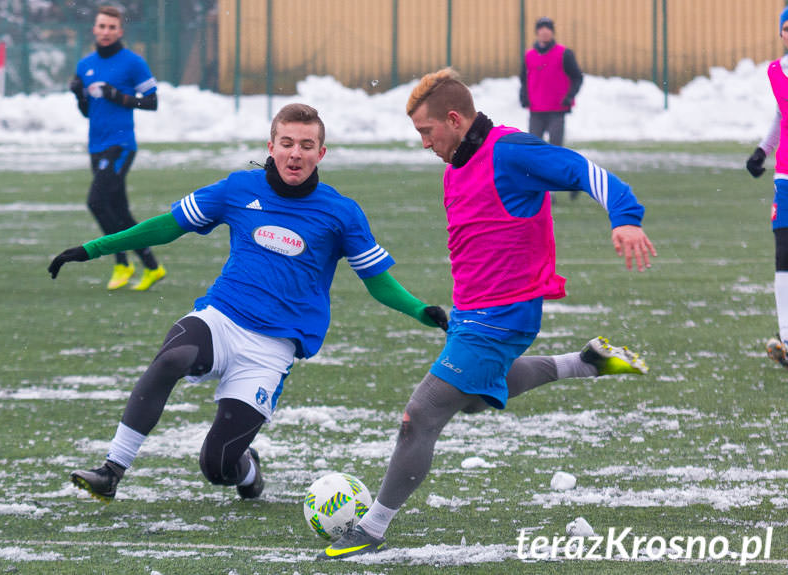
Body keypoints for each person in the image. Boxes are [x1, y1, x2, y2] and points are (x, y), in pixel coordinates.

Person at [320, 68, 656, 559]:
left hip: (503, 318)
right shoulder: (458, 161)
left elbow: (584, 170)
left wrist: (625, 218)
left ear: (454, 119)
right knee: (472, 400)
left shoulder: (510, 151)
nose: (424, 143)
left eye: (426, 131)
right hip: (472, 314)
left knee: (421, 415)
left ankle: (372, 528)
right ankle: (584, 362)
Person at [48, 103, 451, 503]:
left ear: (320, 154)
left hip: (271, 349)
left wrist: (420, 310)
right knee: (172, 358)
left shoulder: (341, 213)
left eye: (307, 145)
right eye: (287, 142)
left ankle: (248, 469)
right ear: (271, 146)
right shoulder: (238, 189)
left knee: (218, 466)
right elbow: (167, 226)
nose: (296, 153)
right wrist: (93, 249)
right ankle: (112, 470)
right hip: (221, 318)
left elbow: (377, 283)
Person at [70, 5, 166, 291]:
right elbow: (88, 112)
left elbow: (152, 101)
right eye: (102, 26)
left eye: (112, 27)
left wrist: (120, 97)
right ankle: (152, 266)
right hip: (96, 146)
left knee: (96, 202)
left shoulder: (132, 63)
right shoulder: (85, 64)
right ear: (94, 30)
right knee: (120, 212)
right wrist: (79, 95)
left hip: (121, 145)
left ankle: (122, 262)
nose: (106, 31)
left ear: (120, 31)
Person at [746, 6, 788, 370]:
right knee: (783, 254)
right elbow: (780, 114)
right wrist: (763, 150)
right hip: (786, 176)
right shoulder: (776, 71)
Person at [519, 17, 583, 148]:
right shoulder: (528, 55)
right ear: (537, 32)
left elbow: (577, 77)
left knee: (556, 148)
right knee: (533, 148)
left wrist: (569, 97)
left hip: (557, 109)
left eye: (548, 28)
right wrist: (524, 96)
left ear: (552, 32)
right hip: (536, 109)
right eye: (541, 28)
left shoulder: (564, 53)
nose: (545, 31)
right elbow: (524, 79)